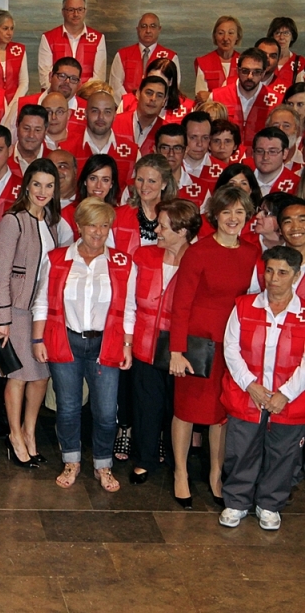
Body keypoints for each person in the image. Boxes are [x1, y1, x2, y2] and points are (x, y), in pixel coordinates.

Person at [31, 198, 134, 492]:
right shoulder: (56, 258)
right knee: (67, 407)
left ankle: (103, 464)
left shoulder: (123, 262)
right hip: (65, 341)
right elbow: (41, 301)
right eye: (92, 225)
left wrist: (127, 344)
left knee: (104, 411)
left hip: (107, 345)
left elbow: (129, 308)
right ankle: (71, 460)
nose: (98, 232)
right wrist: (38, 339)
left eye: (104, 225)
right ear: (78, 226)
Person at [168, 184, 260, 509]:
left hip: (232, 347)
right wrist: (176, 351)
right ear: (215, 215)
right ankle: (180, 473)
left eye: (239, 212)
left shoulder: (252, 253)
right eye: (226, 212)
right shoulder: (199, 252)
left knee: (222, 414)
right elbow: (180, 305)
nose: (233, 218)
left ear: (247, 216)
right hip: (196, 345)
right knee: (187, 411)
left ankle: (216, 474)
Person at [219, 246, 305, 530]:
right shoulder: (244, 305)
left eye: (282, 272)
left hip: (289, 400)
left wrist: (286, 394)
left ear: (295, 276)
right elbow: (231, 349)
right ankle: (236, 502)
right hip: (248, 394)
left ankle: (270, 504)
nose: (274, 278)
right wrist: (251, 386)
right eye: (269, 270)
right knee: (241, 449)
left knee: (283, 453)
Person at [0, 158, 60, 467]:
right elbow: (0, 274)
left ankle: (30, 432)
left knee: (41, 376)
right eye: (37, 184)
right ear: (26, 186)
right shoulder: (13, 220)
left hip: (43, 312)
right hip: (16, 312)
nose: (42, 191)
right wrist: (3, 319)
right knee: (17, 376)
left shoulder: (52, 222)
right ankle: (15, 435)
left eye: (49, 185)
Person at [128, 199, 201, 486]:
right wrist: (127, 342)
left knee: (178, 406)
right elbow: (129, 302)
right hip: (146, 342)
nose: (156, 230)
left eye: (162, 225)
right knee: (146, 404)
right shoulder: (142, 256)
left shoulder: (198, 259)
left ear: (182, 230)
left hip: (181, 347)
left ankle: (176, 461)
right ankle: (145, 459)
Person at [209, 48, 278, 148]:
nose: (250, 76)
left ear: (263, 73)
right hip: (225, 158)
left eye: (256, 72)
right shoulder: (217, 97)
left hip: (260, 159)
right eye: (245, 71)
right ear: (237, 70)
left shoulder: (276, 102)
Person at [38, 0, 107, 88]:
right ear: (63, 12)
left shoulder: (98, 39)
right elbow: (45, 76)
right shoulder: (49, 38)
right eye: (71, 10)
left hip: (86, 96)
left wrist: (80, 93)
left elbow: (99, 77)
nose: (76, 14)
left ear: (85, 11)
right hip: (57, 95)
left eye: (80, 9)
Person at [109, 13, 180, 101]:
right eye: (143, 26)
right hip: (127, 107)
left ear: (159, 29)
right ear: (137, 29)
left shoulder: (170, 57)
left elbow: (173, 87)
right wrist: (131, 104)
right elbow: (115, 86)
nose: (148, 30)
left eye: (153, 26)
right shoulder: (122, 54)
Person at [0, 9, 29, 105]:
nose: (9, 33)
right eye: (5, 28)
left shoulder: (19, 50)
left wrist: (13, 105)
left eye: (12, 28)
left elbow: (24, 82)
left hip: (14, 105)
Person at [195, 16, 242, 102]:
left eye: (231, 33)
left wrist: (211, 96)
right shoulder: (205, 62)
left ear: (238, 36)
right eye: (221, 33)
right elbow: (201, 97)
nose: (225, 38)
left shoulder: (245, 62)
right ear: (215, 36)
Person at [252, 127, 299, 196]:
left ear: (285, 153)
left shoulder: (298, 185)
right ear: (253, 153)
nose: (265, 157)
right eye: (260, 151)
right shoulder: (241, 181)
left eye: (272, 151)